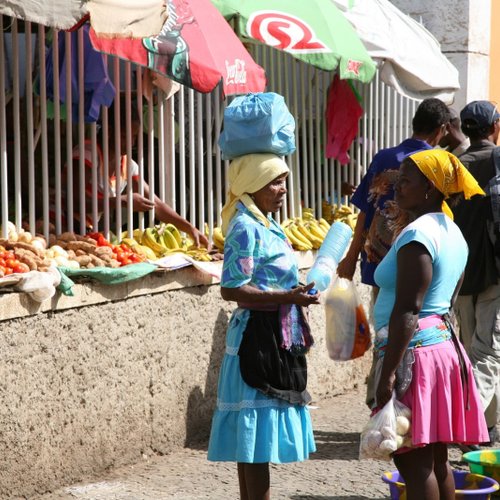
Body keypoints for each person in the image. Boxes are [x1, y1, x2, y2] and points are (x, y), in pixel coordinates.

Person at [374, 149, 489, 500]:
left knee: (413, 463)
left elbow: (409, 309)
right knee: (437, 460)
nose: (398, 187)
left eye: (407, 181)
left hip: (415, 356)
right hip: (441, 349)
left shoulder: (417, 236)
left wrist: (388, 374)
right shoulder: (451, 231)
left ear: (430, 189)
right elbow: (448, 296)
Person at [207, 153, 320, 500]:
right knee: (254, 443)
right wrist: (288, 297)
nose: (283, 188)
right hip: (257, 337)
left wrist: (292, 295)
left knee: (254, 444)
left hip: (276, 331)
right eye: (274, 181)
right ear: (252, 186)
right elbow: (232, 288)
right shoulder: (245, 227)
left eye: (284, 180)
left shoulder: (267, 223)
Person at [337, 97, 451, 408]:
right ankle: (406, 398)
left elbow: (364, 210)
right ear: (441, 129)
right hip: (425, 259)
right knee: (420, 327)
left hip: (380, 260)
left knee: (385, 328)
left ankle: (378, 395)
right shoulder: (437, 164)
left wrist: (350, 256)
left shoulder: (384, 156)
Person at [58, 99, 208, 247]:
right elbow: (75, 203)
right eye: (126, 136)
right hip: (61, 230)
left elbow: (156, 204)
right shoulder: (87, 153)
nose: (132, 143)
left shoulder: (127, 164)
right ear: (109, 131)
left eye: (135, 137)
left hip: (87, 233)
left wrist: (190, 228)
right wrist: (122, 201)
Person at [452, 100, 500, 446]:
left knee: (473, 349)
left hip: (458, 272)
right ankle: (468, 422)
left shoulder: (453, 166)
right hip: (493, 270)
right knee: (489, 351)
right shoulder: (496, 161)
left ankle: (487, 426)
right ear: (494, 127)